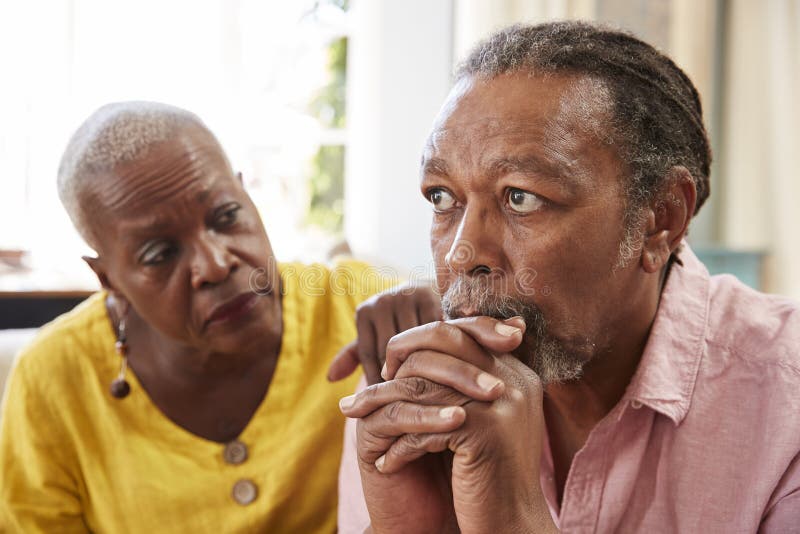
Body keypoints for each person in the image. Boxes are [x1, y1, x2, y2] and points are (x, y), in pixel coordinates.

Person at [335, 21, 800, 533]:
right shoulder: (417, 395)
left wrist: (512, 521)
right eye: (442, 197)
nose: (464, 253)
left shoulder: (785, 411)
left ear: (660, 220)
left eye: (521, 197)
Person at [0, 101, 440, 532]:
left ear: (247, 195)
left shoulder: (359, 306)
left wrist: (447, 330)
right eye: (160, 253)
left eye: (226, 216)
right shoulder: (52, 379)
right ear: (108, 278)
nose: (214, 264)